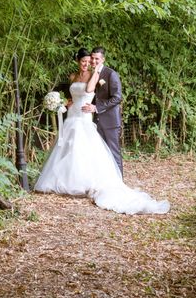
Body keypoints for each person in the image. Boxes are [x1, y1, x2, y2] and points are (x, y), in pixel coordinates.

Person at [34, 48, 170, 215]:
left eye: (89, 61)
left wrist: (96, 73)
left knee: (93, 150)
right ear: (78, 62)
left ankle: (108, 182)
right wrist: (64, 102)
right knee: (68, 147)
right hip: (72, 114)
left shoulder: (97, 75)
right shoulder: (72, 76)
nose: (87, 63)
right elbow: (73, 94)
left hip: (86, 116)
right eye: (84, 61)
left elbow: (91, 91)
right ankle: (66, 181)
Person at [81, 46, 123, 175]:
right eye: (92, 58)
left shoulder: (110, 74)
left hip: (110, 121)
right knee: (101, 154)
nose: (93, 61)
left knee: (113, 152)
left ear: (103, 59)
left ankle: (119, 183)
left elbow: (117, 98)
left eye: (97, 59)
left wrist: (97, 108)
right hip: (95, 122)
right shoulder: (91, 74)